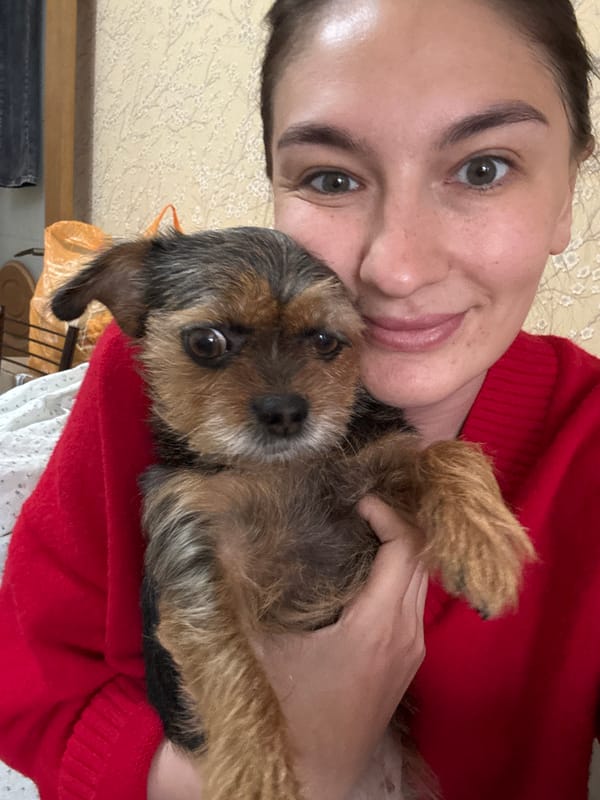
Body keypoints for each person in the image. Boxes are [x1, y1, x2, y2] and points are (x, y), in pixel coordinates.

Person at [0, 0, 598, 798]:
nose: (397, 268)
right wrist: (300, 765)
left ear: (569, 194)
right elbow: (25, 687)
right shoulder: (141, 367)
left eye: (483, 167)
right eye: (331, 177)